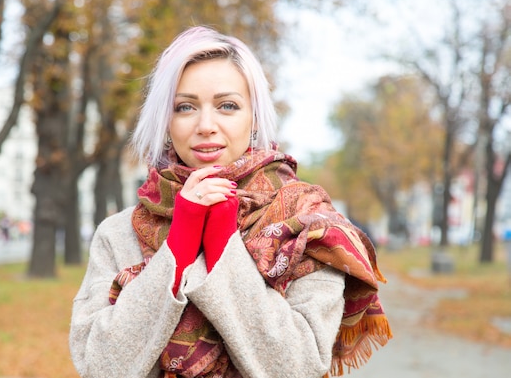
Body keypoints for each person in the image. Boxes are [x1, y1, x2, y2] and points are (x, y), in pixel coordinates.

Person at [69, 26, 392, 378]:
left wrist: (224, 248)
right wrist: (177, 252)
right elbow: (97, 366)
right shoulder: (117, 234)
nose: (206, 125)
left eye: (227, 105)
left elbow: (298, 366)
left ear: (253, 117)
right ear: (166, 120)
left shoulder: (309, 225)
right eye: (185, 107)